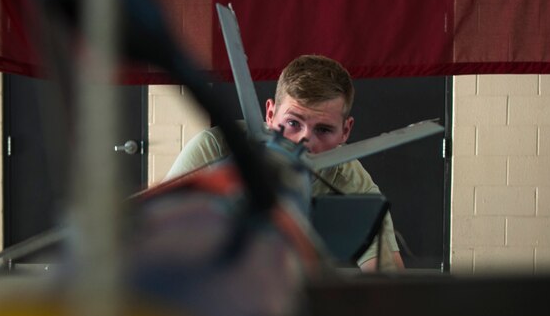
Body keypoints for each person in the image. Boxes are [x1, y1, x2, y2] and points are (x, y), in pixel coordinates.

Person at [165, 55, 403, 271]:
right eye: (293, 123)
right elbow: (158, 230)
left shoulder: (350, 180)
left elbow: (386, 275)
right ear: (270, 114)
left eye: (323, 129)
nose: (304, 140)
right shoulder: (216, 147)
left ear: (345, 130)